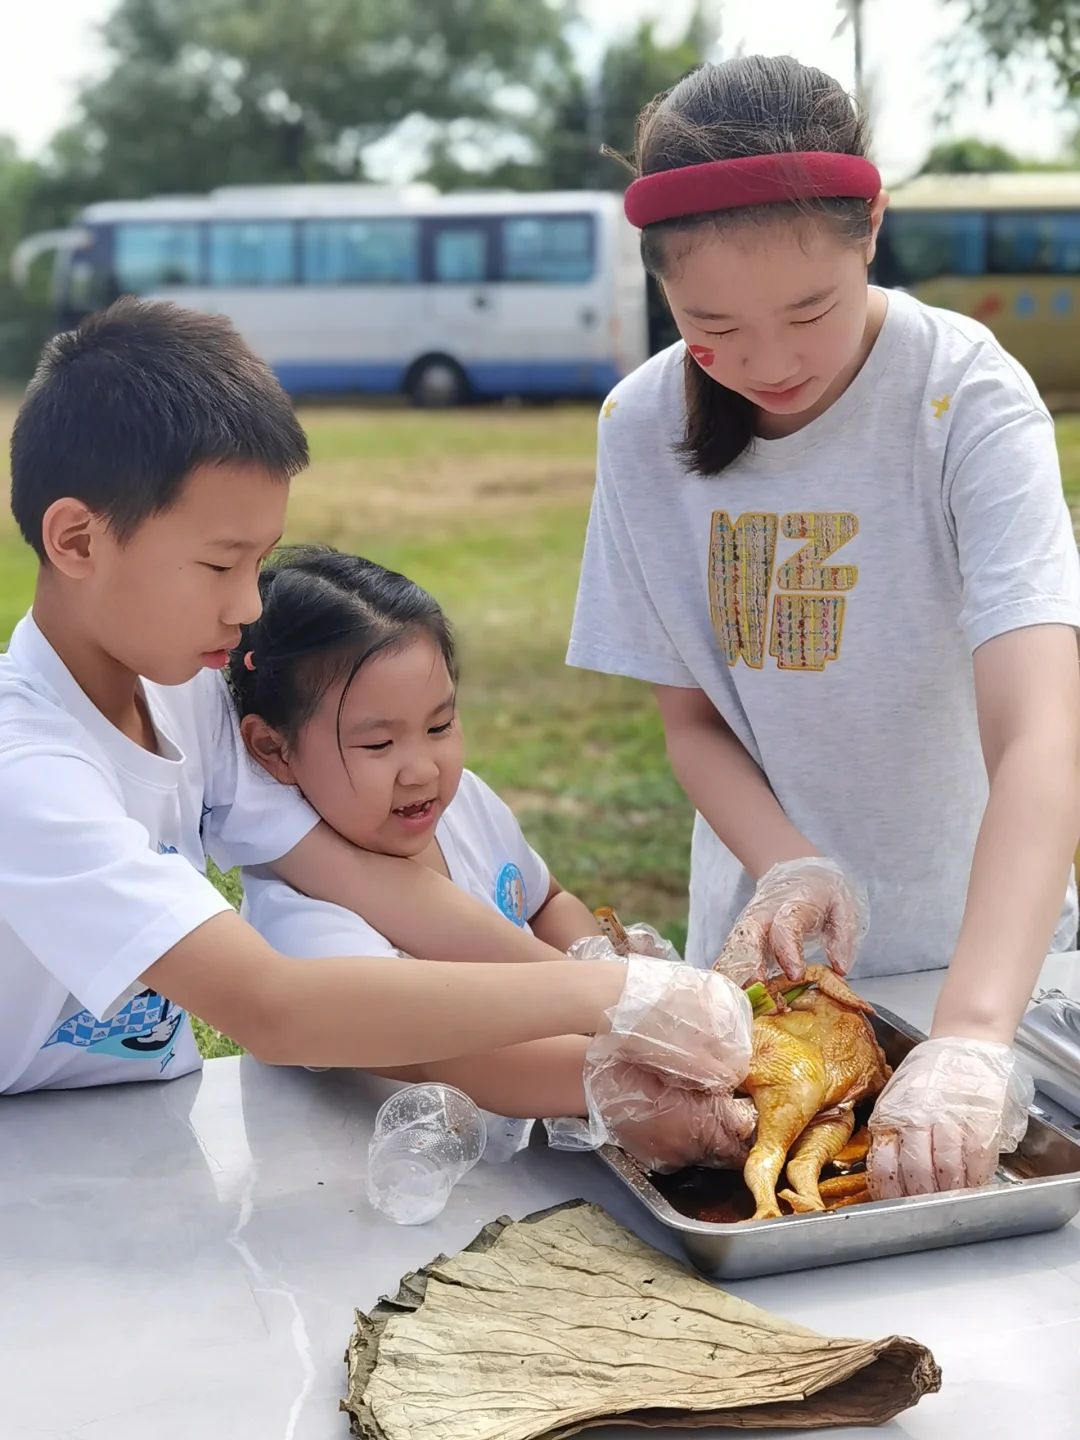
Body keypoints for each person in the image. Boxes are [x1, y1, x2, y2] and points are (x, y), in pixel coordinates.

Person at [0, 297, 755, 1175]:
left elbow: (371, 883)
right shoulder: (28, 770)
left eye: (259, 561)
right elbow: (273, 1007)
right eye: (219, 563)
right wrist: (612, 996)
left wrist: (613, 1006)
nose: (248, 607)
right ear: (78, 540)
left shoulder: (184, 695)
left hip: (149, 1128)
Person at [566, 55, 1080, 1198]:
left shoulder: (963, 398)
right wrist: (787, 862)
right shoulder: (641, 425)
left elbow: (1042, 729)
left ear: (871, 227)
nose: (771, 363)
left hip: (985, 955)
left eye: (811, 311)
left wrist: (974, 1032)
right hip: (774, 977)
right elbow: (692, 717)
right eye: (714, 328)